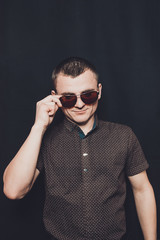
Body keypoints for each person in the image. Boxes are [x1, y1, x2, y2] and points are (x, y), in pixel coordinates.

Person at [3, 57, 157, 240]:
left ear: (99, 91)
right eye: (68, 98)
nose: (79, 104)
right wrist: (38, 127)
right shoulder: (43, 140)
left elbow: (142, 190)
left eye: (88, 95)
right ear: (55, 97)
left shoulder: (123, 135)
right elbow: (13, 190)